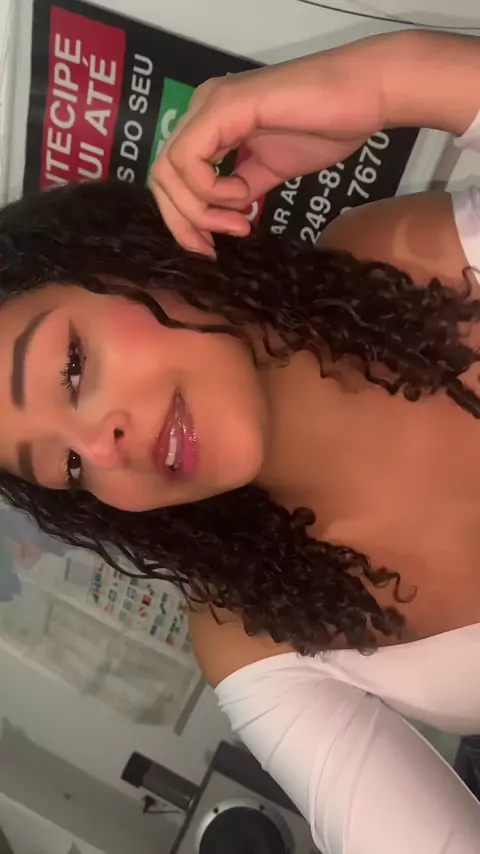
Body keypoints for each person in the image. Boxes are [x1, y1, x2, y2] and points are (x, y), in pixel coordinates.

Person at [0, 26, 479, 853]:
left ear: (136, 259)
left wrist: (385, 80)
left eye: (72, 368)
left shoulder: (401, 257)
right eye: (70, 466)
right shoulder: (254, 636)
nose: (105, 448)